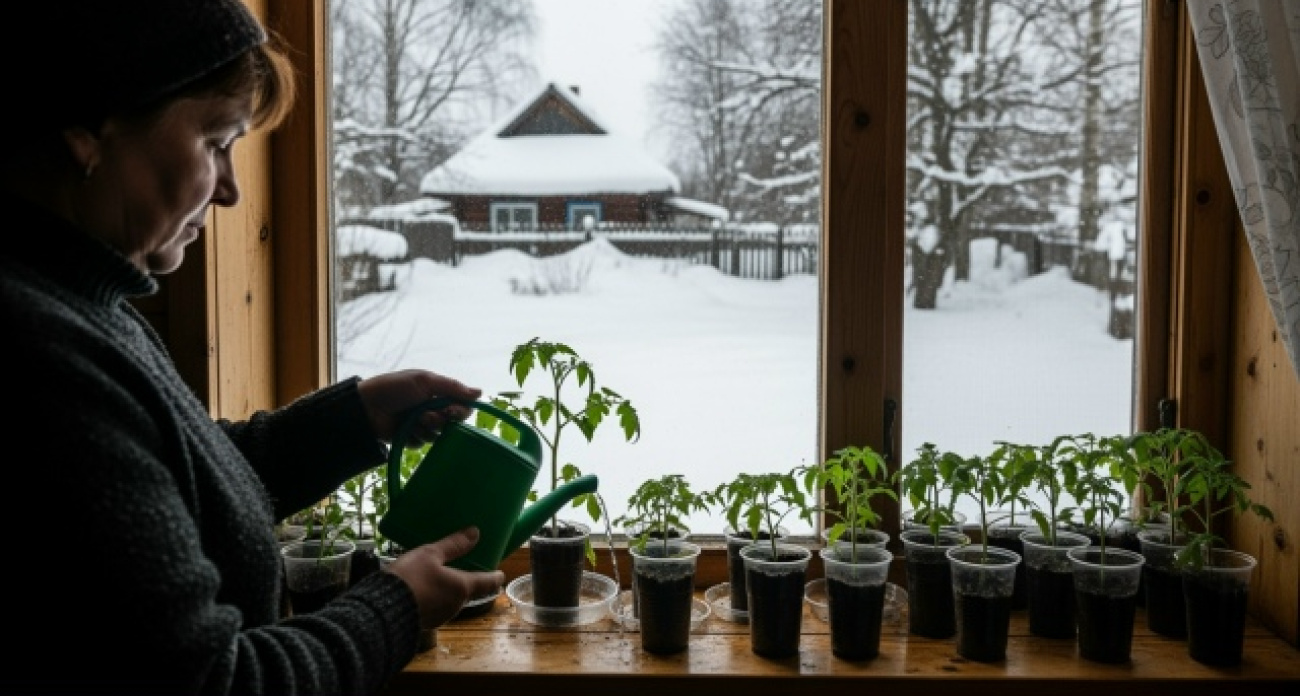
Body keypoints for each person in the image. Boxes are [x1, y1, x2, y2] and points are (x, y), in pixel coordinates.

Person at [0, 1, 504, 694]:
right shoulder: (39, 356)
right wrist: (395, 608)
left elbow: (179, 487)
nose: (232, 190)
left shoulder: (86, 305)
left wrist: (354, 419)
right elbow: (216, 683)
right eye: (216, 141)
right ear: (87, 129)